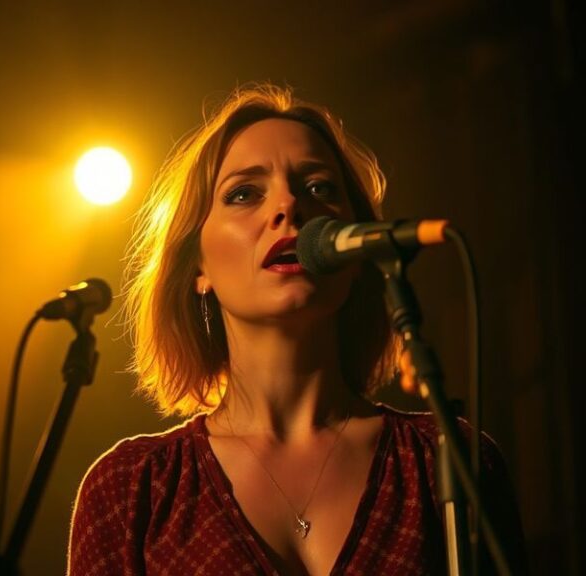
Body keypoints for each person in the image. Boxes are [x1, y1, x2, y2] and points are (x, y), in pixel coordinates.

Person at [67, 83, 527, 575]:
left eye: (319, 189)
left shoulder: (448, 462)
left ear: (358, 251)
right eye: (244, 193)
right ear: (196, 266)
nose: (289, 207)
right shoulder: (131, 490)